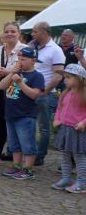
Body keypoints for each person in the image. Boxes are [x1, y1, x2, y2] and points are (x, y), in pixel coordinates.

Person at [0, 46, 45, 180]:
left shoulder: (37, 76)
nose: (20, 62)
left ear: (33, 60)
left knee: (27, 143)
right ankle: (16, 165)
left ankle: (28, 169)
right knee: (14, 143)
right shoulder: (16, 72)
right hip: (11, 113)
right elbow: (2, 86)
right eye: (18, 59)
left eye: (23, 59)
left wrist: (20, 82)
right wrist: (11, 73)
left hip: (25, 115)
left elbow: (34, 94)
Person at [0, 22, 26, 166]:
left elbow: (28, 70)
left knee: (16, 126)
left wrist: (7, 72)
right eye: (7, 31)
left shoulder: (25, 50)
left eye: (13, 31)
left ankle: (18, 158)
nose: (9, 34)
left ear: (19, 33)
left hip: (15, 93)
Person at [29, 21, 65, 165]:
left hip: (45, 94)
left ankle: (39, 156)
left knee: (43, 128)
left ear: (44, 32)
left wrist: (44, 92)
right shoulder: (34, 47)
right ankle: (30, 152)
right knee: (29, 124)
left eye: (35, 31)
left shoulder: (55, 50)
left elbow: (58, 75)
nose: (32, 34)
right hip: (30, 92)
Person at [52, 64, 86, 193]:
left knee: (79, 156)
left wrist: (83, 123)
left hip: (78, 130)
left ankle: (82, 182)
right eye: (65, 77)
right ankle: (66, 178)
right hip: (65, 128)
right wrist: (57, 119)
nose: (65, 80)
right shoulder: (65, 93)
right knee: (65, 155)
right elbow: (59, 108)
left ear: (79, 79)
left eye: (68, 77)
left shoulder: (84, 94)